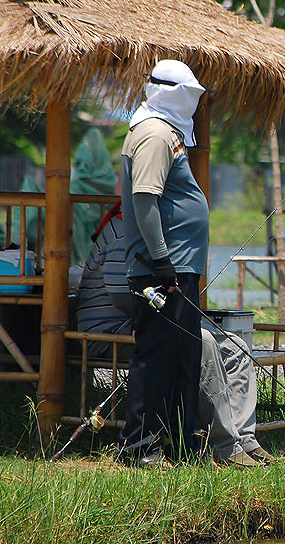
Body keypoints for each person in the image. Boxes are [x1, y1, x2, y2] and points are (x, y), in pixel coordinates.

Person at [77, 201, 273, 467]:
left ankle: (244, 439)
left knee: (235, 345)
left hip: (144, 323)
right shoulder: (123, 231)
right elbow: (124, 298)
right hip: (109, 332)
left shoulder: (152, 230)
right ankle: (224, 445)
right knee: (201, 341)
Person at [118, 58, 209, 466]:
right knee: (156, 356)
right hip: (163, 270)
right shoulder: (154, 133)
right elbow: (144, 200)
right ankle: (138, 447)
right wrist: (162, 262)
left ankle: (179, 442)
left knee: (182, 355)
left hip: (179, 266)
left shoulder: (165, 132)